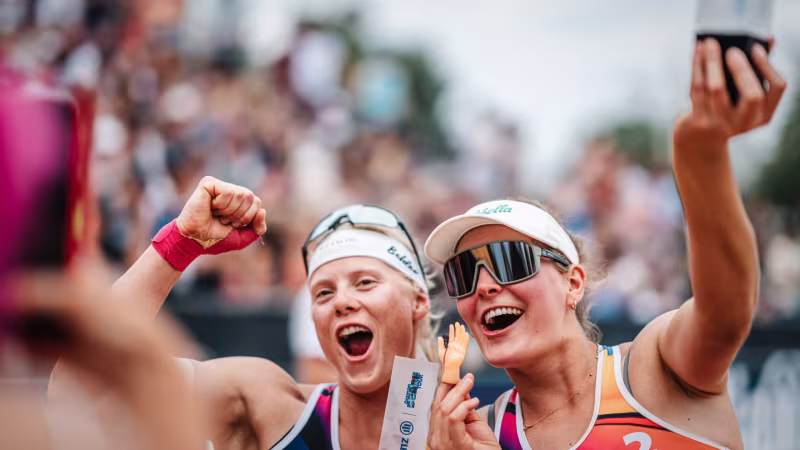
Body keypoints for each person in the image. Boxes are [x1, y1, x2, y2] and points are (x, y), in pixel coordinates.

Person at [424, 38, 786, 450]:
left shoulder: (652, 369)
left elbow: (725, 314)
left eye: (510, 260)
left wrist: (700, 150)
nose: (485, 286)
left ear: (574, 283)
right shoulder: (472, 434)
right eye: (463, 272)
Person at [50, 177, 439, 449]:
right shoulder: (272, 408)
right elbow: (80, 385)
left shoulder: (473, 430)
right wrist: (180, 244)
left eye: (365, 282)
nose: (341, 301)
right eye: (322, 292)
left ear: (418, 301)